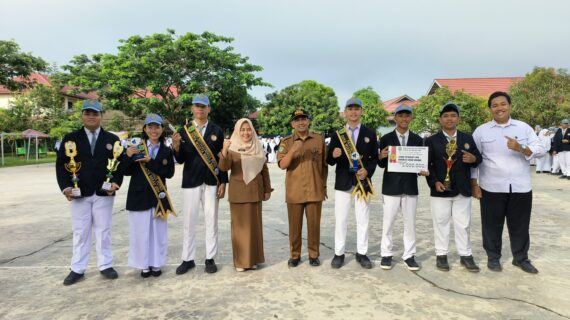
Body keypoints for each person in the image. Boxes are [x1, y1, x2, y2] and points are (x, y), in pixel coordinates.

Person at [471, 91, 545, 274]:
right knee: (491, 224)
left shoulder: (523, 128)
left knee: (520, 224)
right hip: (491, 186)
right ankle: (493, 257)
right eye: (494, 105)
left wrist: (521, 148)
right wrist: (474, 183)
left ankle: (520, 258)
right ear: (490, 109)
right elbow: (474, 160)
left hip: (520, 186)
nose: (499, 108)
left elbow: (541, 149)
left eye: (503, 104)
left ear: (510, 106)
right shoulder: (481, 131)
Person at [55, 100, 123, 285]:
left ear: (101, 116)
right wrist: (65, 187)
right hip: (80, 193)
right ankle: (77, 268)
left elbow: (119, 165)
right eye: (88, 113)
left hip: (103, 193)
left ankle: (105, 265)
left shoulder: (112, 139)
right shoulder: (70, 139)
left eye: (95, 113)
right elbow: (61, 165)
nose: (91, 117)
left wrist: (116, 182)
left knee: (104, 231)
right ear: (82, 115)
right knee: (80, 232)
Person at [172, 94, 228, 275]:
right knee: (189, 222)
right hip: (191, 181)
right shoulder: (184, 131)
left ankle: (210, 258)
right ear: (192, 109)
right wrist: (176, 147)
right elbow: (180, 160)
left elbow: (222, 158)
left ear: (209, 109)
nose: (200, 109)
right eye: (197, 106)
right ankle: (187, 259)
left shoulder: (217, 130)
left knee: (211, 221)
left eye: (204, 106)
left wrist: (223, 182)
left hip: (212, 181)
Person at [424, 103, 482, 272]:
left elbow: (478, 158)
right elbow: (428, 165)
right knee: (440, 223)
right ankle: (441, 255)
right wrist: (434, 181)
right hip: (440, 189)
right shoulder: (431, 140)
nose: (449, 119)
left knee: (463, 224)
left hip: (462, 189)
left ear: (458, 118)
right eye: (446, 116)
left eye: (453, 115)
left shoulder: (467, 139)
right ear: (440, 119)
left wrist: (473, 159)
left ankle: (466, 255)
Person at [327, 97, 378, 269]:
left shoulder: (370, 134)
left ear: (361, 111)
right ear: (345, 112)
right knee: (341, 219)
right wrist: (332, 155)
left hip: (362, 182)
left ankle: (361, 253)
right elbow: (329, 160)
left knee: (363, 219)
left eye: (357, 109)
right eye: (350, 109)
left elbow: (374, 159)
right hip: (343, 183)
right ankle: (339, 253)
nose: (353, 112)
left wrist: (368, 171)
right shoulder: (337, 135)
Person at [378, 105, 428, 271]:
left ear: (411, 118)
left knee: (410, 223)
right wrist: (381, 156)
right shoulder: (385, 138)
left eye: (407, 116)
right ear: (395, 118)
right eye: (401, 115)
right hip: (391, 186)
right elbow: (380, 163)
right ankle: (386, 254)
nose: (404, 119)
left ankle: (409, 255)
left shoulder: (418, 139)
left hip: (410, 186)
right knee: (388, 222)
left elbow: (420, 163)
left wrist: (423, 169)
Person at [124, 114, 175, 278]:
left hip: (158, 198)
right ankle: (143, 265)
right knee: (140, 232)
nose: (154, 130)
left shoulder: (167, 151)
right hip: (138, 196)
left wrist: (150, 162)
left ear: (162, 129)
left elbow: (169, 173)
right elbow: (125, 171)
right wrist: (128, 157)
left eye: (157, 127)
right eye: (150, 127)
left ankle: (156, 263)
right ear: (145, 129)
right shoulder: (136, 147)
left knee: (158, 233)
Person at [219, 118, 272, 271]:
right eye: (242, 130)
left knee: (254, 229)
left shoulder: (257, 146)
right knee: (240, 230)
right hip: (239, 194)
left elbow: (264, 169)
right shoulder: (231, 147)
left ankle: (252, 260)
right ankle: (241, 262)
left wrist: (267, 189)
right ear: (237, 131)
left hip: (255, 192)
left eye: (248, 129)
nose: (246, 133)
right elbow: (223, 167)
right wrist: (224, 150)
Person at [277, 109, 328, 267]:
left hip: (315, 189)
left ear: (309, 121)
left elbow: (323, 166)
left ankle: (313, 254)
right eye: (297, 120)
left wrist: (324, 186)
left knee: (314, 225)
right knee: (294, 226)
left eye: (303, 119)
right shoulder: (286, 142)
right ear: (292, 123)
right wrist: (293, 150)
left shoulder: (319, 140)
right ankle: (295, 255)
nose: (301, 122)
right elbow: (281, 165)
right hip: (294, 191)